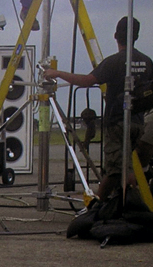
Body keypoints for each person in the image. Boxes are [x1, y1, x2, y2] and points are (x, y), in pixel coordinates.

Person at [45, 17, 153, 200]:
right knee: (132, 168)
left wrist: (58, 73)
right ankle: (130, 203)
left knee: (114, 171)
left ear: (115, 36)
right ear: (136, 36)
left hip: (117, 123)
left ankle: (98, 207)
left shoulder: (114, 62)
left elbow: (87, 81)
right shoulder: (147, 62)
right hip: (138, 123)